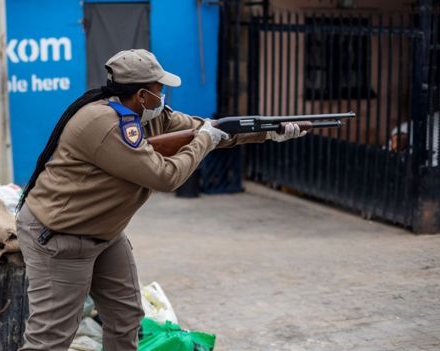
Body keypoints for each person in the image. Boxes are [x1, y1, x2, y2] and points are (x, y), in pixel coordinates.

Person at [15, 49, 306, 350]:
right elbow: (166, 176)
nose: (164, 94)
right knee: (49, 339)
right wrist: (206, 140)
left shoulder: (149, 116)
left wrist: (267, 132)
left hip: (104, 233)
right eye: (159, 88)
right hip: (61, 237)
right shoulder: (105, 124)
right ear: (142, 95)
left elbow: (207, 129)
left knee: (126, 319)